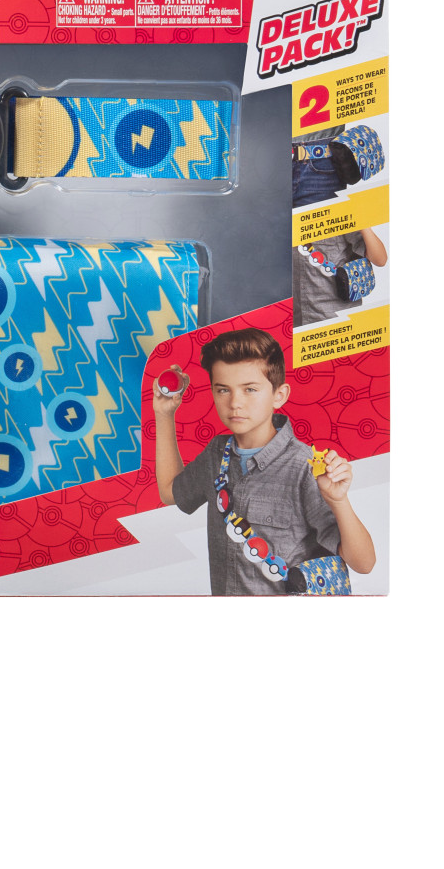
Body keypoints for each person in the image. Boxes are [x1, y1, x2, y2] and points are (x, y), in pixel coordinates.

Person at [152, 327, 376, 595]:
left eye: (250, 389)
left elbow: (364, 563)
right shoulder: (216, 455)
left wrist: (338, 501)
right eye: (223, 390)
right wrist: (164, 414)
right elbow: (170, 492)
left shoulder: (304, 466)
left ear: (279, 395)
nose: (235, 403)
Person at [293, 227, 387, 326]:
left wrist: (363, 225)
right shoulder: (286, 221)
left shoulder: (343, 219)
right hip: (295, 319)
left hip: (336, 317)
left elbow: (380, 260)